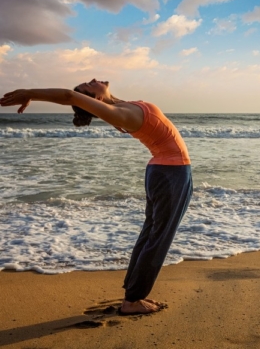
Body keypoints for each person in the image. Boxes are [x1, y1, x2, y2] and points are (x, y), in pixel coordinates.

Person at [0, 79, 193, 315]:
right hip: (170, 173)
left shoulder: (120, 107)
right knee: (158, 237)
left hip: (165, 171)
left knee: (152, 233)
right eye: (88, 85)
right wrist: (30, 93)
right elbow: (69, 97)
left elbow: (81, 100)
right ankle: (133, 300)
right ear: (96, 99)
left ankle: (133, 292)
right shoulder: (119, 113)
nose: (93, 79)